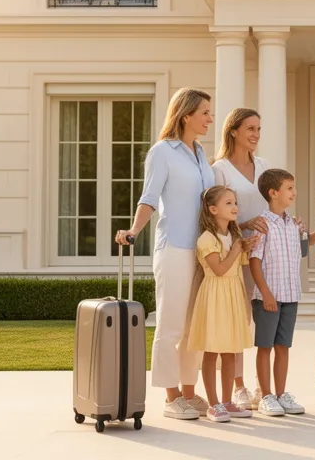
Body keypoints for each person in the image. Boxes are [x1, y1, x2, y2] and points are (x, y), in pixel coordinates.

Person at [114, 87, 217, 420]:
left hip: (202, 250)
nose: (209, 118)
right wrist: (134, 230)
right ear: (186, 114)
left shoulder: (201, 153)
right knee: (171, 325)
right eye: (204, 112)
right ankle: (172, 397)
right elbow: (150, 197)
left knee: (194, 327)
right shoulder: (163, 152)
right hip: (174, 247)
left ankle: (189, 391)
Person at [248, 168, 315, 416]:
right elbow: (254, 261)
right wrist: (266, 293)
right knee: (265, 346)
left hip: (290, 295)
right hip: (268, 298)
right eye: (290, 188)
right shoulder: (262, 225)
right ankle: (266, 395)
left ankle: (281, 394)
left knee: (283, 346)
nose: (294, 192)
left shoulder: (293, 224)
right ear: (273, 193)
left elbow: (306, 247)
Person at [209, 107, 273, 410]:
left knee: (264, 318)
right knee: (239, 319)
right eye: (250, 128)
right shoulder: (219, 169)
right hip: (237, 254)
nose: (255, 135)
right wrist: (244, 226)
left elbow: (274, 206)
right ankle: (239, 386)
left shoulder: (264, 166)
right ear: (233, 130)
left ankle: (265, 388)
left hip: (267, 253)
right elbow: (217, 214)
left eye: (258, 129)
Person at [185, 185, 259, 422]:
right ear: (213, 209)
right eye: (228, 203)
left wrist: (248, 247)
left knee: (231, 351)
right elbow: (219, 269)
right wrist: (238, 247)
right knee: (212, 349)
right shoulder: (207, 238)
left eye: (235, 202)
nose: (234, 207)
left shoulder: (233, 236)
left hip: (233, 294)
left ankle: (227, 402)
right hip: (215, 296)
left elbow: (240, 264)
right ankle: (214, 404)